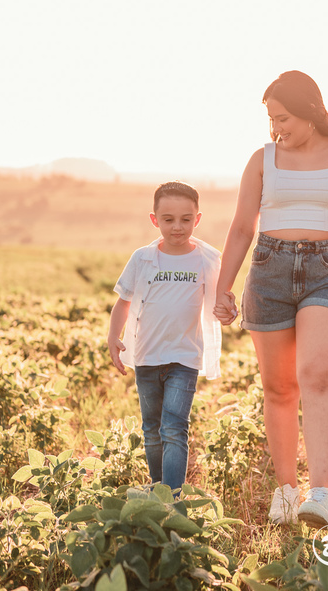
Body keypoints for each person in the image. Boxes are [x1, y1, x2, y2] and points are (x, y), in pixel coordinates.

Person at [213, 70, 328, 528]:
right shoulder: (262, 159)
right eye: (271, 120)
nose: (277, 128)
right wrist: (223, 287)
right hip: (268, 271)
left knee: (317, 375)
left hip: (325, 271)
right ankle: (287, 491)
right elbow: (241, 228)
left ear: (309, 112)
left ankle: (320, 493)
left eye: (284, 118)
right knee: (278, 388)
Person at [108, 181, 222, 493]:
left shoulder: (206, 260)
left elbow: (220, 301)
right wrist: (113, 337)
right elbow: (123, 302)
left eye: (186, 219)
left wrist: (228, 310)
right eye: (168, 219)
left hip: (184, 357)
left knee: (174, 427)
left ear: (197, 219)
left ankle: (172, 497)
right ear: (154, 219)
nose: (177, 227)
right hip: (147, 356)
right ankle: (158, 490)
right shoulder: (142, 258)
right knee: (152, 430)